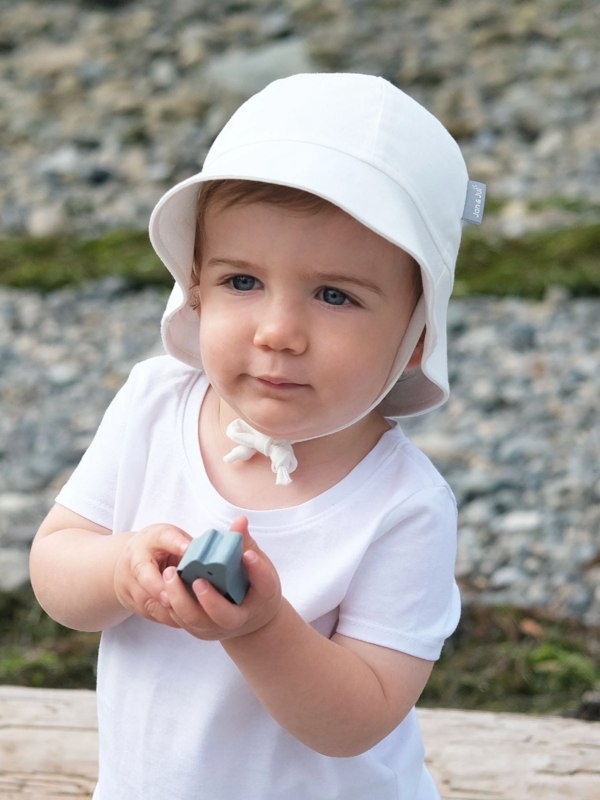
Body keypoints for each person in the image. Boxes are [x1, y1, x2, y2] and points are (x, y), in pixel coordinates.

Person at [29, 72, 482, 800]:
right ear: (196, 287)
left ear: (418, 335)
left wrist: (260, 627)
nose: (278, 332)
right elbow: (54, 571)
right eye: (242, 282)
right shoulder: (154, 405)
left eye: (335, 295)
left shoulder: (404, 504)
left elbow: (359, 717)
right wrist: (119, 571)